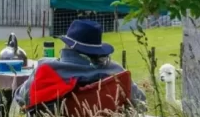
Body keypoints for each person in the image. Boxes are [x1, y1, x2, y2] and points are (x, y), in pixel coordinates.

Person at [14, 18, 145, 110]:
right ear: (97, 49)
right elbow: (141, 103)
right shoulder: (116, 72)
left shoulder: (47, 69)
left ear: (67, 45)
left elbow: (21, 99)